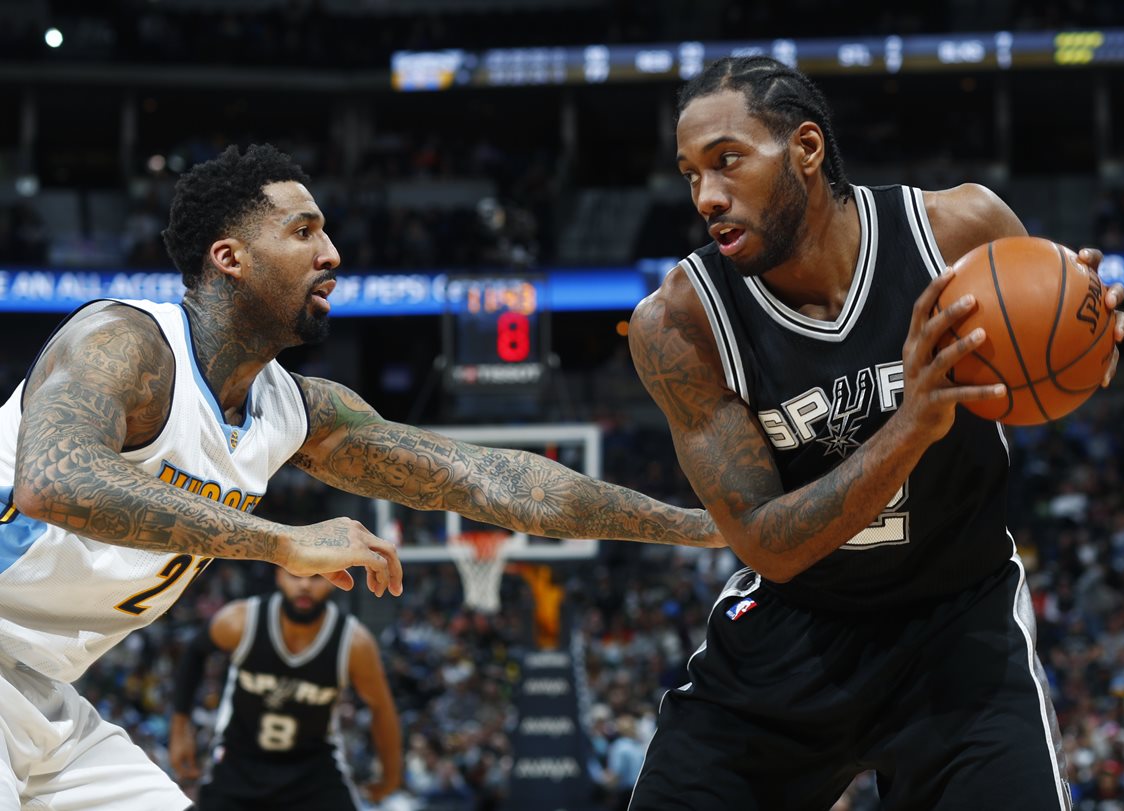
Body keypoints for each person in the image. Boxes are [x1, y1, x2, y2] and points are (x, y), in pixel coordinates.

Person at [0, 143, 721, 811]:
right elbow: (56, 481)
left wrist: (702, 526)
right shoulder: (124, 343)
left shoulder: (295, 411)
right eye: (304, 232)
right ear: (230, 256)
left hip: (41, 697)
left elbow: (490, 479)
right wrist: (282, 542)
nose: (333, 254)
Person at [625, 56, 1124, 810]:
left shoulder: (958, 230)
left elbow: (1032, 381)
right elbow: (766, 542)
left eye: (727, 161)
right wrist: (911, 426)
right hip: (792, 637)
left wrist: (1083, 338)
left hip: (958, 623)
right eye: (691, 173)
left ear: (806, 148)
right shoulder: (680, 323)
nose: (707, 195)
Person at [170, 568, 400, 810]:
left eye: (315, 577)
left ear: (335, 580)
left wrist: (391, 774)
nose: (304, 585)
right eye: (295, 575)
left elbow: (381, 707)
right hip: (238, 762)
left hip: (313, 770)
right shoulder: (241, 620)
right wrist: (179, 728)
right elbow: (195, 652)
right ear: (279, 575)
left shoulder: (354, 643)